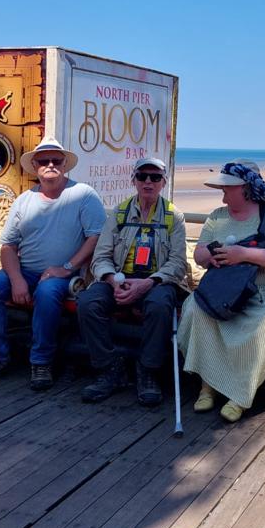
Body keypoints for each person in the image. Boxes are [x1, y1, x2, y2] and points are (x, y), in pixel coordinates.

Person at [0, 136, 106, 390]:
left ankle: (41, 361)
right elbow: (8, 246)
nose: (50, 165)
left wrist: (66, 268)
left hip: (66, 275)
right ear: (35, 166)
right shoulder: (24, 200)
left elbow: (96, 237)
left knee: (47, 293)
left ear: (65, 164)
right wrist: (16, 279)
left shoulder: (83, 194)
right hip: (26, 270)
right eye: (44, 161)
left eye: (56, 160)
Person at [177, 161, 265, 423]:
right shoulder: (217, 216)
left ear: (246, 189)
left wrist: (243, 254)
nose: (223, 196)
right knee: (195, 310)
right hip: (224, 287)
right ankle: (208, 385)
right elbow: (199, 255)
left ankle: (241, 395)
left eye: (227, 190)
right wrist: (213, 255)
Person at [77, 156, 187, 406]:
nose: (148, 182)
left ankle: (148, 370)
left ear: (163, 182)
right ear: (134, 180)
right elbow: (101, 257)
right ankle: (109, 368)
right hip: (119, 279)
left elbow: (177, 263)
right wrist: (112, 280)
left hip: (157, 281)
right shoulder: (119, 213)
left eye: (155, 177)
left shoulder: (174, 216)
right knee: (88, 302)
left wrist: (149, 283)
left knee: (159, 306)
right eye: (142, 176)